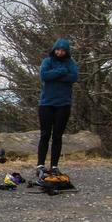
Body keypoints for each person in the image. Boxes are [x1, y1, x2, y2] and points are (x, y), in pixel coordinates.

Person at [36, 38, 77, 177]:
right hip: (46, 103)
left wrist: (55, 75)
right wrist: (61, 72)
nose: (60, 52)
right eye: (58, 49)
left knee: (57, 136)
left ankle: (54, 166)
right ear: (54, 49)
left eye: (63, 50)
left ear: (67, 51)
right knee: (45, 134)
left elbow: (73, 77)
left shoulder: (70, 63)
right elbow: (44, 76)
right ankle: (40, 165)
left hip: (64, 104)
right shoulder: (47, 61)